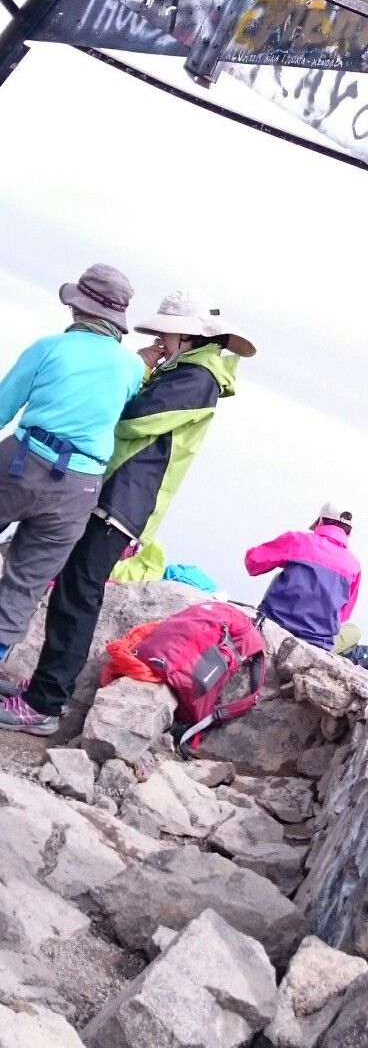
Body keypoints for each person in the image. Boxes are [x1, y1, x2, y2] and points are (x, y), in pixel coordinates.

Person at [0, 289, 255, 735]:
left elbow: (135, 419)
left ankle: (44, 704)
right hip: (116, 495)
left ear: (189, 336)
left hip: (124, 500)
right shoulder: (189, 372)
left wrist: (133, 376)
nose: (161, 340)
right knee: (71, 589)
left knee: (78, 595)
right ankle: (42, 690)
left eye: (167, 333)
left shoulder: (197, 379)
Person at [0, 263, 144, 665]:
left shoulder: (50, 347)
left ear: (78, 307)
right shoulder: (133, 367)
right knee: (26, 581)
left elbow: (3, 407)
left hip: (23, 461)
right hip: (80, 485)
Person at [245, 503, 362, 651]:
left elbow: (253, 562)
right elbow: (344, 614)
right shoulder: (354, 566)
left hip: (273, 624)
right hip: (317, 643)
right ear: (349, 533)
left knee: (279, 576)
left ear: (320, 521)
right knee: (353, 632)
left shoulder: (299, 540)